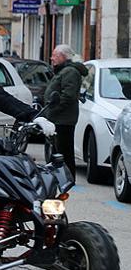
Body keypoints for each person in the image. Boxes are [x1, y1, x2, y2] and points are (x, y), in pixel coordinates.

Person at [44, 44, 87, 175]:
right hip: (57, 119)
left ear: (63, 56)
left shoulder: (70, 72)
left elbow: (68, 96)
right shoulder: (64, 70)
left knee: (64, 152)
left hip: (63, 120)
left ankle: (67, 178)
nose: (52, 58)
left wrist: (53, 109)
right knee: (57, 151)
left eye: (55, 55)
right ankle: (59, 177)